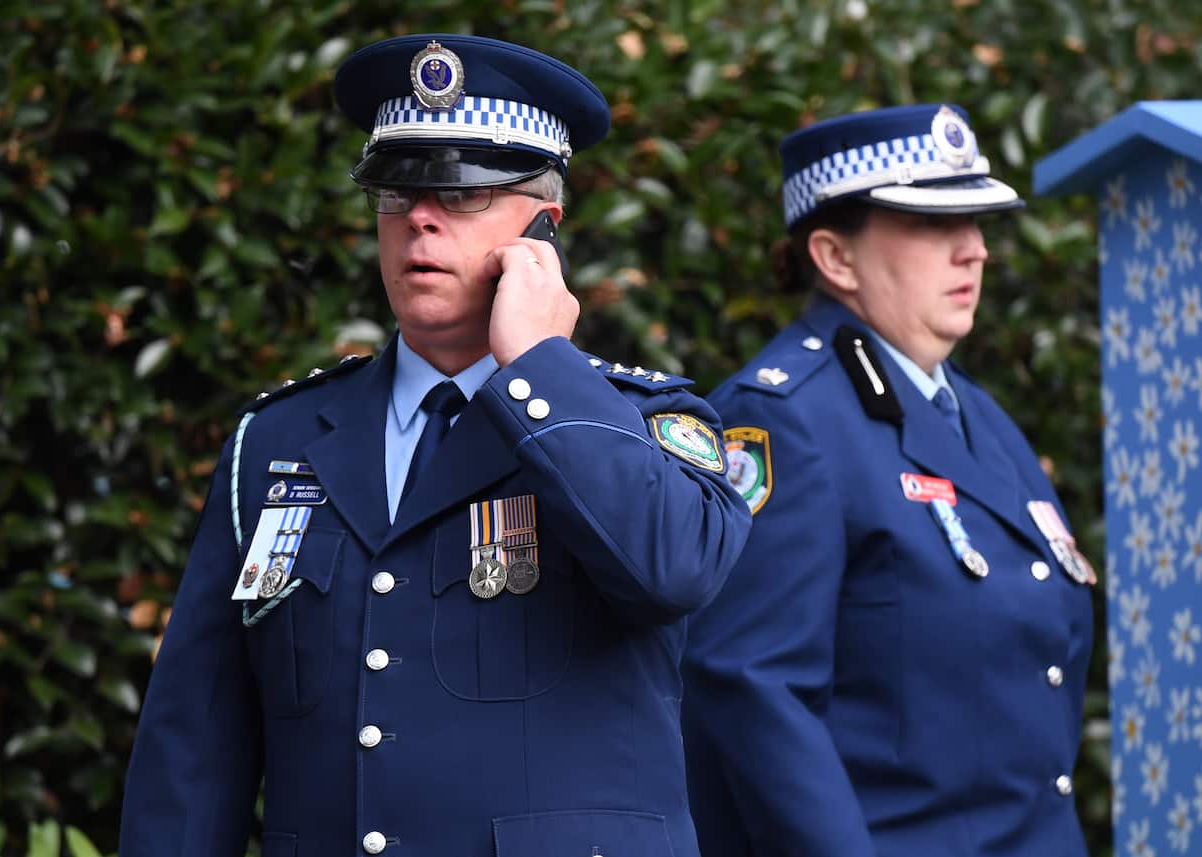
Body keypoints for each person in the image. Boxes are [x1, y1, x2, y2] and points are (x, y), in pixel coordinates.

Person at [119, 34, 750, 857]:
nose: (420, 216)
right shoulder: (276, 442)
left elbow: (672, 566)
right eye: (396, 193)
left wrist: (541, 369)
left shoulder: (641, 421)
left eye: (463, 192)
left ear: (544, 230)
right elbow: (191, 759)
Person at [681, 103, 1095, 857]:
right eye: (934, 225)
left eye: (976, 224)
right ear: (836, 258)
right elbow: (753, 690)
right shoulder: (785, 417)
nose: (973, 251)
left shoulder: (973, 411)